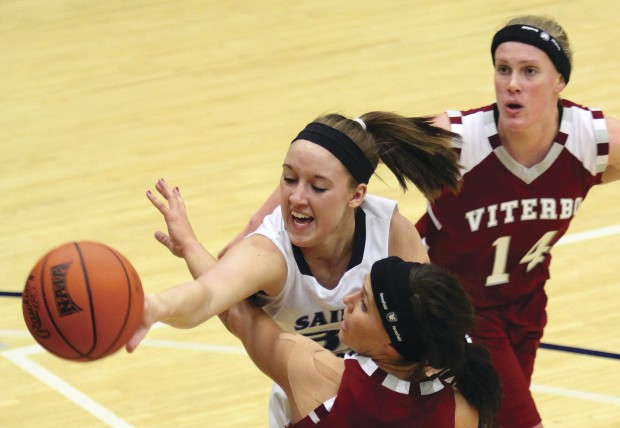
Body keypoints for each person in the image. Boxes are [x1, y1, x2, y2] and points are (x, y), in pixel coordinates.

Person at [221, 15, 620, 428]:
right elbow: (348, 143)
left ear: (560, 81)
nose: (512, 84)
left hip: (525, 303)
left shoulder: (592, 140)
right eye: (503, 69)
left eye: (529, 71)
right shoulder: (464, 140)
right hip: (453, 307)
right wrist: (256, 223)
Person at [127, 112, 462, 427]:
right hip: (311, 400)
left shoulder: (390, 233)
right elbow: (211, 297)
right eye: (289, 179)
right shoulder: (269, 252)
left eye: (317, 187)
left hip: (393, 396)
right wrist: (155, 306)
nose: (297, 198)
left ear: (356, 194)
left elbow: (431, 324)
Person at [220, 256, 502, 427]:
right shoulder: (462, 413)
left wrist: (190, 245)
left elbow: (241, 315)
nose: (348, 300)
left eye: (364, 304)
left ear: (391, 344)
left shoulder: (321, 375)